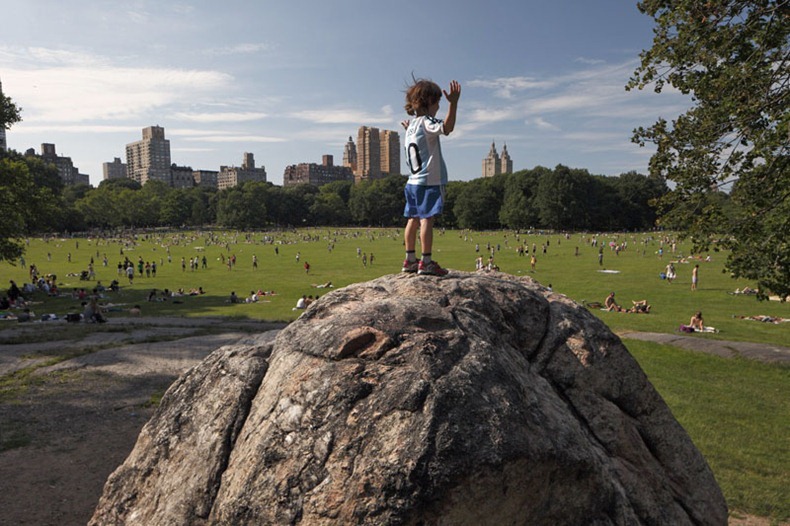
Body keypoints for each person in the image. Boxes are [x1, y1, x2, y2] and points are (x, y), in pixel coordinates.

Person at [400, 77, 461, 276]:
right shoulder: (427, 122)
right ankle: (426, 262)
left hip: (412, 182)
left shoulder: (410, 127)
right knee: (427, 219)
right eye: (438, 103)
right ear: (430, 102)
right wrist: (454, 103)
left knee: (413, 219)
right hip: (429, 181)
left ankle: (410, 260)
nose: (438, 108)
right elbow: (447, 127)